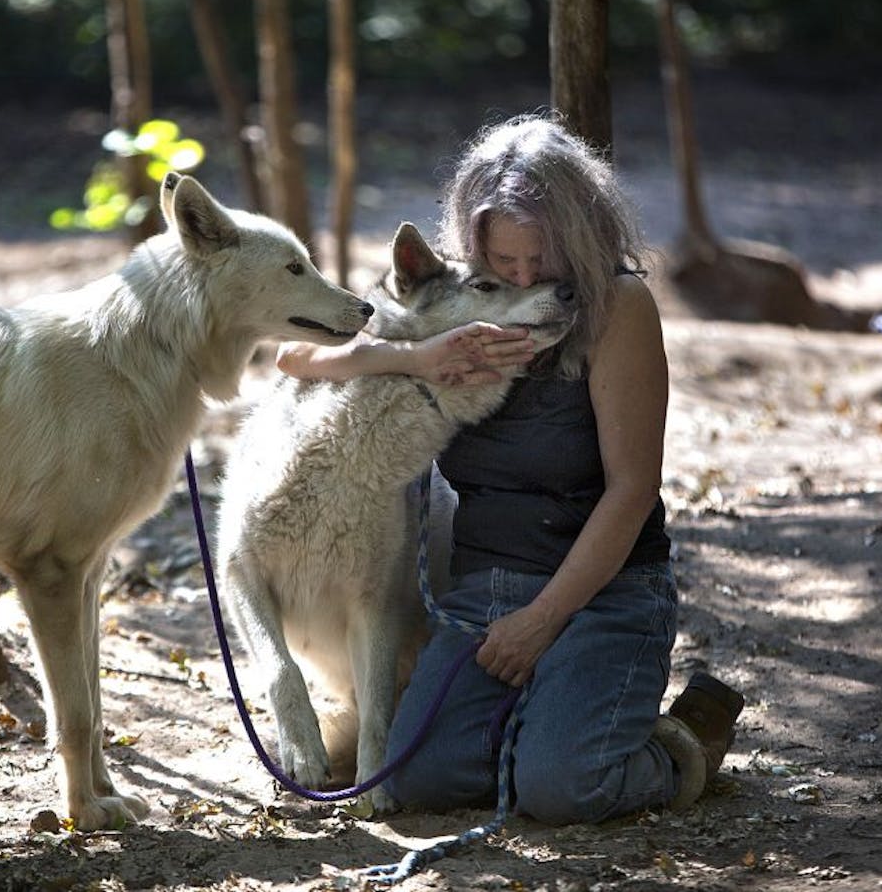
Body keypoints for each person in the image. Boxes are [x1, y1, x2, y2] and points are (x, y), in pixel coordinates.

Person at [275, 114, 744, 823]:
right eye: (505, 266)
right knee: (421, 780)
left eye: (543, 263)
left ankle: (679, 744)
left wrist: (540, 623)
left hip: (603, 591)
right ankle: (557, 719)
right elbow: (294, 357)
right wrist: (414, 358)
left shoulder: (619, 306)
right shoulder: (458, 300)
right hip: (484, 590)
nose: (526, 282)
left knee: (560, 788)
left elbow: (633, 491)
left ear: (581, 239)